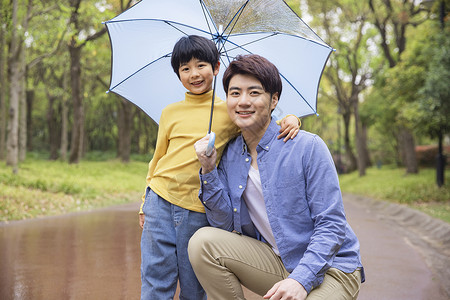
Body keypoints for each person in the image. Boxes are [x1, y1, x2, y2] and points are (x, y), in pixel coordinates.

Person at [139, 36, 301, 300]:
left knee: (194, 285)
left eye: (201, 65)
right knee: (155, 277)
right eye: (185, 68)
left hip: (197, 209)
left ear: (215, 68)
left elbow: (267, 120)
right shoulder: (169, 112)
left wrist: (291, 118)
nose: (194, 74)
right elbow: (158, 158)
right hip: (160, 200)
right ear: (178, 74)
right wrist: (145, 201)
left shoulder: (229, 109)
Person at [191, 54, 365, 300]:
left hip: (331, 268)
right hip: (276, 262)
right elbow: (224, 226)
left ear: (274, 100)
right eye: (235, 93)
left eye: (254, 93)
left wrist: (300, 280)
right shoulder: (228, 155)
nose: (243, 101)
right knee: (203, 242)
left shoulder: (307, 146)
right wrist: (208, 169)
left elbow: (332, 225)